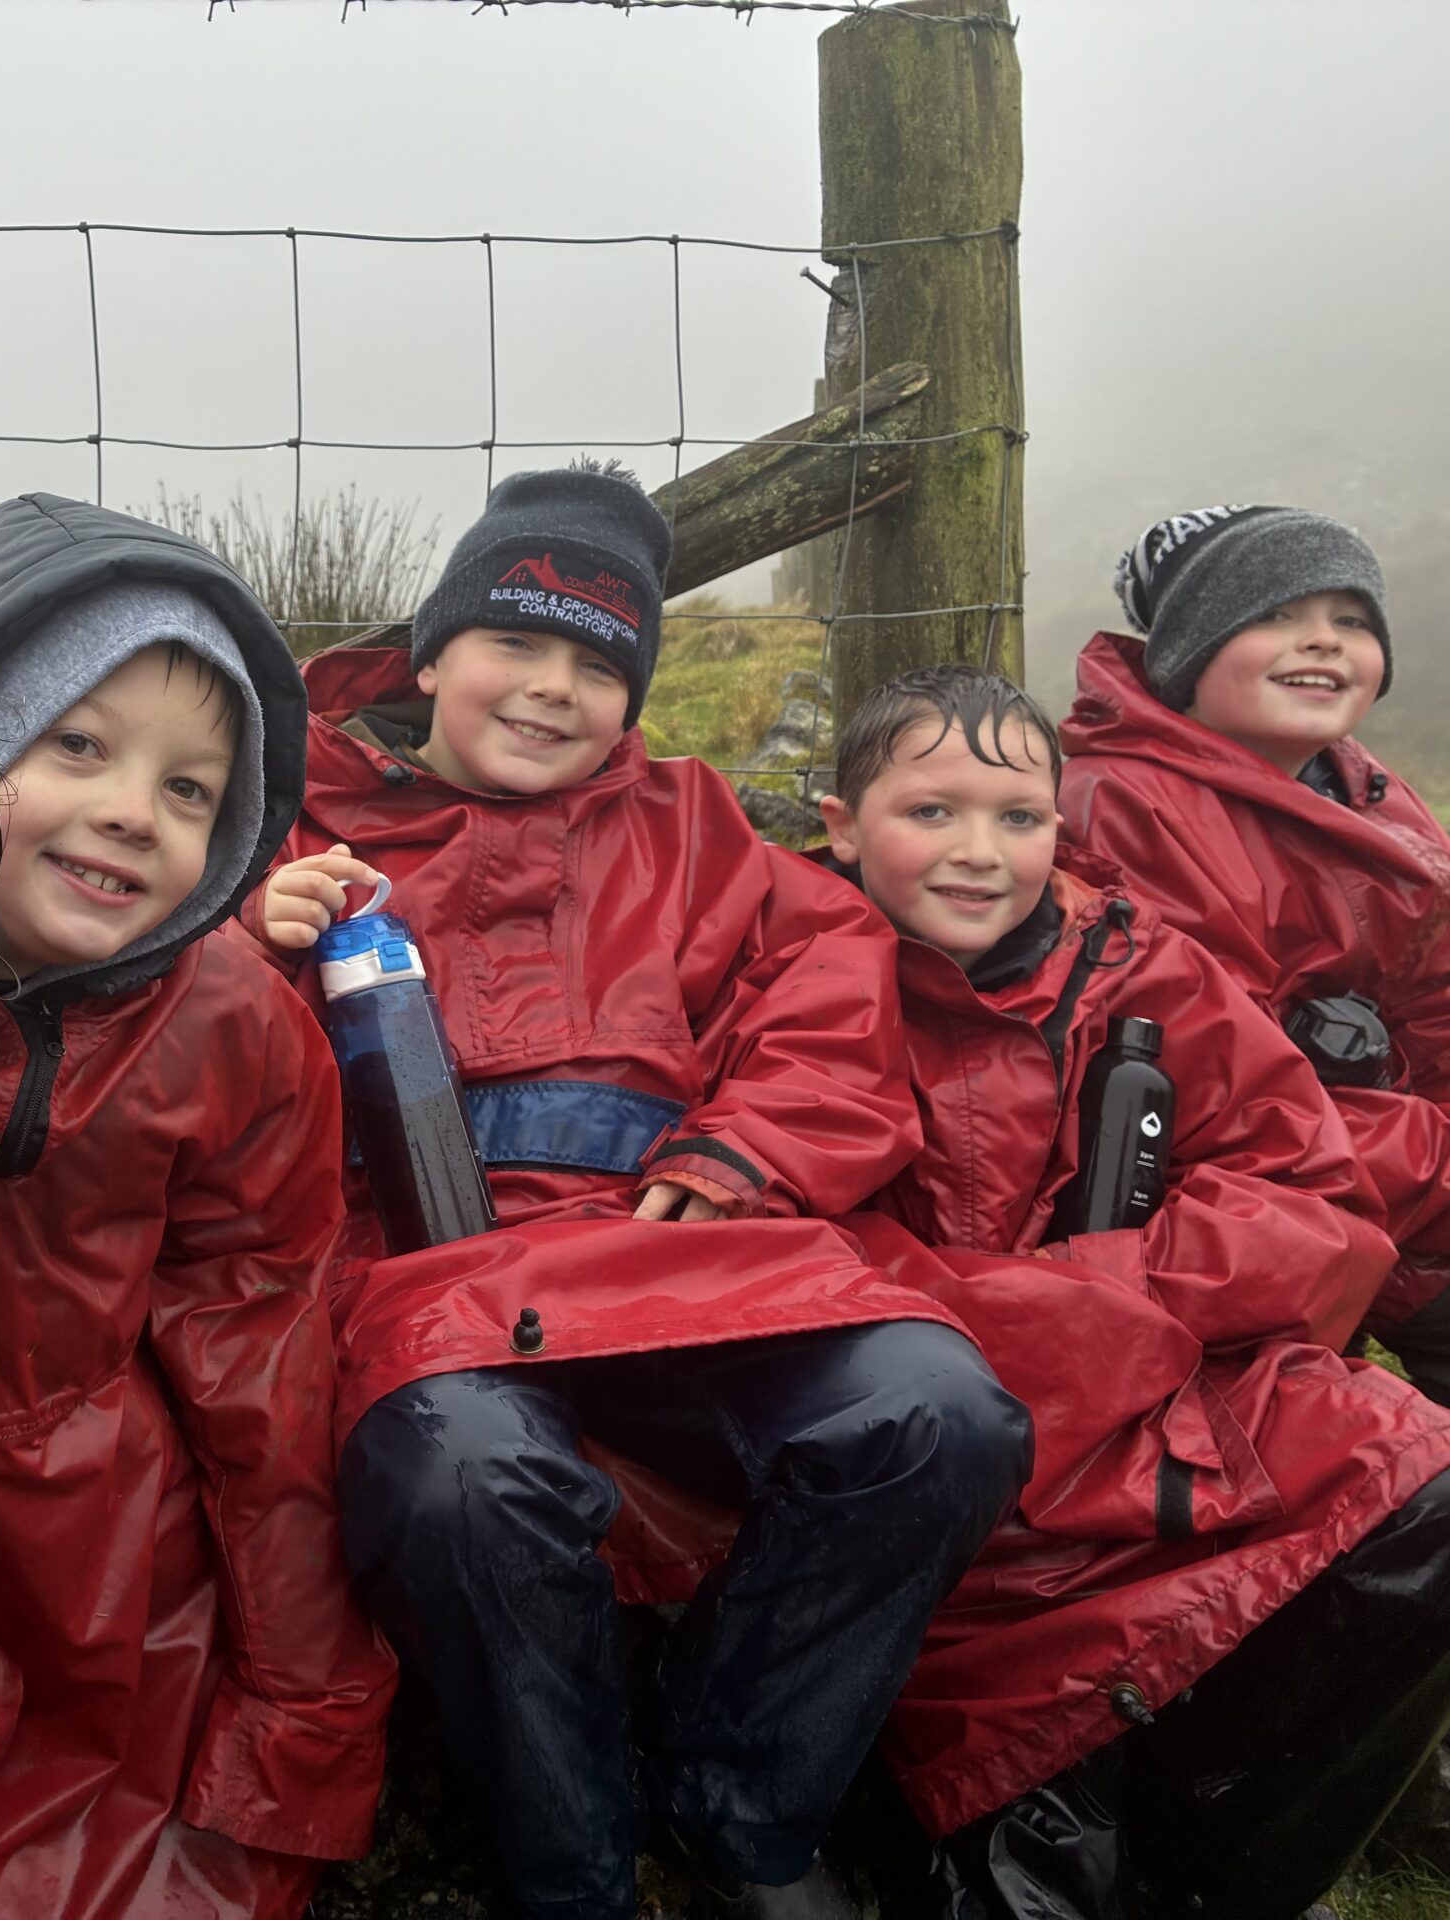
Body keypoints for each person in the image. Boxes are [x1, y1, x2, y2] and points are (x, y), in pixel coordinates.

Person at [241, 465, 1030, 1920]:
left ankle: (738, 1808)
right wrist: (252, 945)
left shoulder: (695, 823)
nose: (553, 689)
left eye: (598, 666)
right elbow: (171, 1040)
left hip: (680, 1258)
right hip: (415, 1277)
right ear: (431, 656)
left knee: (939, 1412)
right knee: (464, 1483)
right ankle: (576, 1869)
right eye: (514, 642)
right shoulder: (283, 821)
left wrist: (743, 1154)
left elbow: (828, 985)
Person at [0, 494, 396, 1920]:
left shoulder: (235, 1026)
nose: (131, 811)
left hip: (118, 1551)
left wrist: (304, 1702)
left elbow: (263, 1377)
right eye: (77, 745)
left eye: (192, 789)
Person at [819, 664, 1450, 1920]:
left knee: (1412, 1472)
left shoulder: (1140, 966)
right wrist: (1045, 1321)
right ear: (840, 824)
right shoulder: (784, 967)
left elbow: (1307, 1196)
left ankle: (1203, 1863)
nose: (978, 852)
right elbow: (765, 1239)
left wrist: (1105, 1295)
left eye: (1017, 816)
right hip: (914, 1445)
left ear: (1059, 824)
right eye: (931, 811)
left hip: (1146, 1404)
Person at [1057, 505, 1450, 1403]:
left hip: (1383, 1172)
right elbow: (1228, 1093)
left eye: (1351, 620)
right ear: (1188, 651)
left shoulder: (1366, 790)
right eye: (1273, 613)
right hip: (1253, 1206)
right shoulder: (1131, 808)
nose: (1324, 640)